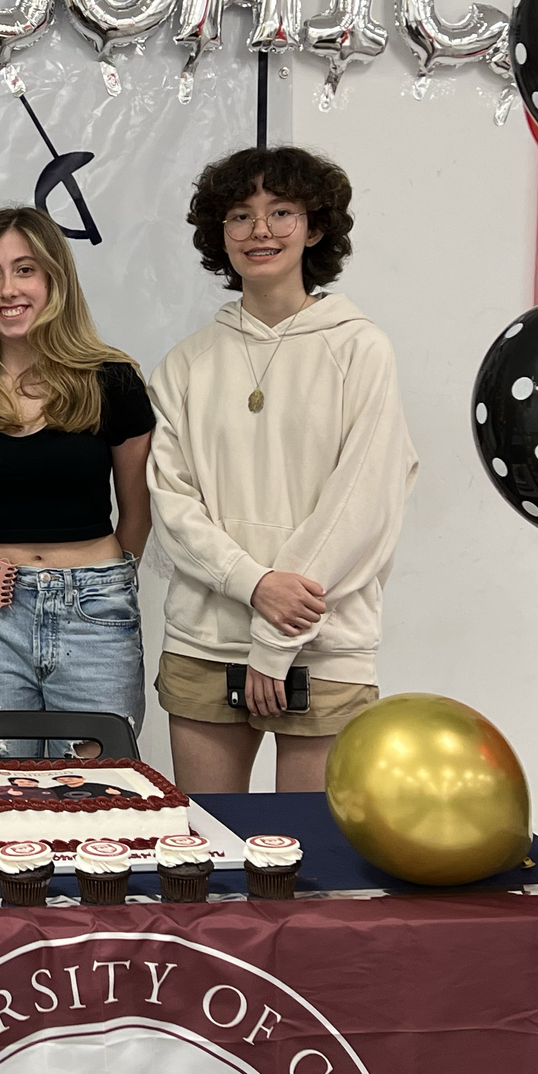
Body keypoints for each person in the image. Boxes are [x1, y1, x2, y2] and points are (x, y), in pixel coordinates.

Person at [148, 145, 416, 794]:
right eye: (240, 215)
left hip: (326, 645)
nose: (260, 230)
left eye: (281, 211)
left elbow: (364, 501)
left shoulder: (360, 347)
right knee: (207, 858)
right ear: (220, 233)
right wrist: (255, 583)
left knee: (309, 865)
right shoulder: (185, 363)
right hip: (206, 641)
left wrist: (274, 635)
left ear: (315, 227)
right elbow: (173, 506)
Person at [0, 206, 154, 755]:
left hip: (95, 611)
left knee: (95, 797)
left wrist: (97, 585)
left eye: (24, 270)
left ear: (54, 279)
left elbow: (137, 512)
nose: (6, 289)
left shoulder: (112, 381)